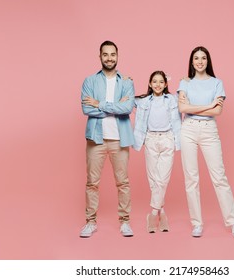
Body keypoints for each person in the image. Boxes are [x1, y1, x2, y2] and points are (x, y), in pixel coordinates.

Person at [177, 46, 234, 238]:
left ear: (208, 61)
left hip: (208, 130)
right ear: (191, 61)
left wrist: (194, 107)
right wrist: (208, 105)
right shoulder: (185, 82)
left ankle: (233, 223)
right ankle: (196, 223)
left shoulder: (217, 83)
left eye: (203, 58)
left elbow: (217, 112)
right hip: (188, 129)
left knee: (219, 177)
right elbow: (182, 108)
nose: (199, 61)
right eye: (196, 58)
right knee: (191, 178)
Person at [80, 40, 135, 238]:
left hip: (119, 139)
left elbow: (128, 108)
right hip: (96, 139)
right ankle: (90, 222)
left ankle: (125, 222)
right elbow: (87, 109)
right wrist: (114, 107)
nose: (109, 58)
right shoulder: (90, 81)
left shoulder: (127, 82)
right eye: (105, 54)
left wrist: (101, 104)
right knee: (92, 182)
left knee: (123, 182)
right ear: (100, 56)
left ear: (117, 56)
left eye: (113, 54)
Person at [133, 71, 182, 233]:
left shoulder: (172, 100)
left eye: (161, 82)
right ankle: (162, 212)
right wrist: (127, 82)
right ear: (149, 84)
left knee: (163, 178)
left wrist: (186, 80)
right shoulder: (144, 101)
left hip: (168, 138)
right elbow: (126, 100)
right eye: (154, 81)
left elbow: (185, 92)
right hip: (151, 140)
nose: (158, 85)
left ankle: (153, 213)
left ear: (166, 84)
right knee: (153, 179)